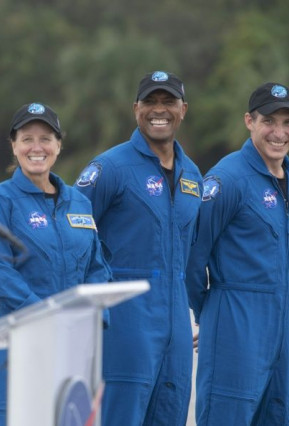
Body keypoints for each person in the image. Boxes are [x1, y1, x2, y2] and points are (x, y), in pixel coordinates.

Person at [74, 71, 202, 425]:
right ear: (136, 109)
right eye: (150, 102)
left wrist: (200, 311)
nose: (159, 110)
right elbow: (72, 235)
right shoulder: (109, 168)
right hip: (125, 316)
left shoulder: (193, 176)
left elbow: (194, 252)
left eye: (168, 102)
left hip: (177, 325)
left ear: (183, 109)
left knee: (170, 415)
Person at [0, 102, 111, 426]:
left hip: (74, 338)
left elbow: (97, 266)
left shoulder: (78, 202)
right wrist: (45, 318)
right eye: (27, 139)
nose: (37, 147)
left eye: (46, 138)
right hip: (19, 336)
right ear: (14, 146)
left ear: (59, 145)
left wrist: (90, 314)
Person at [186, 82, 289, 425]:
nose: (279, 132)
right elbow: (193, 256)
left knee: (281, 414)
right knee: (229, 414)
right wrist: (209, 313)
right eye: (270, 121)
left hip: (285, 318)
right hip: (236, 318)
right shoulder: (228, 179)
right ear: (249, 121)